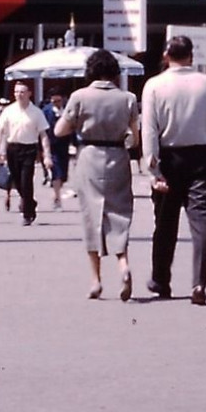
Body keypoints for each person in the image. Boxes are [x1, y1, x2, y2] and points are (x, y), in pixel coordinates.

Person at [140, 35, 206, 306]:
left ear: (166, 55)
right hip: (202, 154)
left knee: (164, 222)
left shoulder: (154, 85)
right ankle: (199, 283)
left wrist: (152, 168)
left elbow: (149, 130)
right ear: (191, 55)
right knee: (201, 219)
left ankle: (161, 280)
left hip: (169, 156)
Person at [56, 50, 139, 300]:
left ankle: (96, 280)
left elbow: (60, 130)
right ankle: (123, 264)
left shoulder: (79, 96)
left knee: (91, 216)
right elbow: (134, 139)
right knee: (119, 213)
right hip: (117, 157)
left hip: (90, 155)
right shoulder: (128, 98)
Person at [0, 81, 51, 226]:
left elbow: (43, 135)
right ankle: (30, 202)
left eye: (22, 92)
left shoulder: (36, 112)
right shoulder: (9, 110)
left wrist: (47, 155)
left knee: (26, 181)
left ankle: (27, 214)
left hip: (29, 149)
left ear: (29, 94)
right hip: (13, 148)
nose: (19, 95)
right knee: (17, 181)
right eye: (16, 92)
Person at [42, 92, 69, 208]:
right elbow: (43, 130)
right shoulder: (46, 111)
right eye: (54, 101)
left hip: (65, 145)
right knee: (56, 171)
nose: (56, 103)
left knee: (63, 174)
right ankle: (57, 196)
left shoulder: (68, 109)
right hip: (51, 145)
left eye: (58, 101)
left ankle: (58, 188)